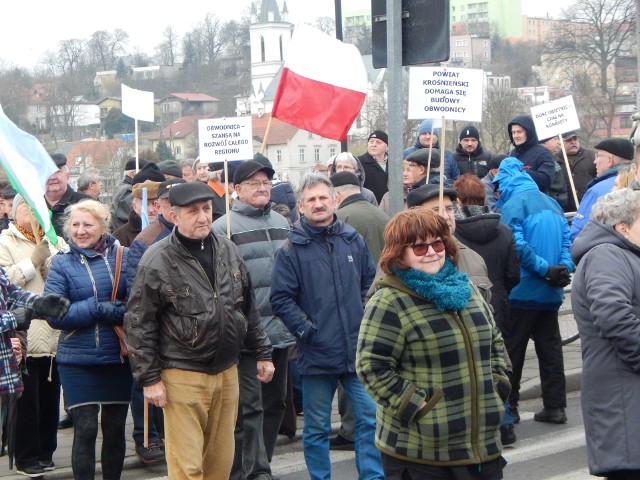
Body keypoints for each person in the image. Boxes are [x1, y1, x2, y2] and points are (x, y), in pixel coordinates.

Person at [124, 181, 274, 480]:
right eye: (193, 211)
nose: (203, 217)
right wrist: (150, 378)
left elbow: (246, 307)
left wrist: (262, 352)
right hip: (182, 373)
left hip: (227, 372)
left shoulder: (228, 250)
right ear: (174, 216)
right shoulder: (157, 259)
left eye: (206, 209)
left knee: (220, 463)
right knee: (188, 467)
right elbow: (139, 323)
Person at [356, 208, 510, 480]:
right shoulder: (389, 301)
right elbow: (371, 367)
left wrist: (498, 384)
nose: (431, 252)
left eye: (437, 242)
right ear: (399, 254)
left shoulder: (468, 290)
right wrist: (419, 406)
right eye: (418, 247)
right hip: (421, 454)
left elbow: (495, 340)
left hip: (482, 447)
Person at [270, 173, 384, 480]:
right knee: (318, 428)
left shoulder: (351, 239)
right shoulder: (290, 249)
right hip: (317, 354)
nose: (318, 204)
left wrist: (361, 316)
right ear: (300, 206)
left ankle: (371, 476)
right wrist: (308, 331)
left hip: (355, 351)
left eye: (323, 198)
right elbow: (280, 299)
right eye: (311, 200)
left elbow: (368, 282)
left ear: (334, 200)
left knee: (370, 418)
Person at [212, 160, 293, 480]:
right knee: (249, 409)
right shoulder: (223, 228)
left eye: (266, 183)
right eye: (254, 183)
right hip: (247, 335)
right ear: (236, 189)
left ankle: (262, 464)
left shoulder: (282, 222)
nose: (262, 188)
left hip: (282, 331)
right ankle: (248, 472)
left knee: (276, 405)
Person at [44, 199, 132, 480]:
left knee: (115, 428)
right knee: (85, 429)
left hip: (118, 357)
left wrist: (114, 309)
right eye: (75, 225)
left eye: (88, 224)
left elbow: (136, 305)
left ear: (103, 227)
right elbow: (56, 314)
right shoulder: (60, 263)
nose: (80, 231)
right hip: (77, 360)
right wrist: (99, 308)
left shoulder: (124, 257)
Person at [493, 157, 574, 425]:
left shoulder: (513, 204)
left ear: (505, 178)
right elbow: (566, 238)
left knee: (512, 352)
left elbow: (514, 244)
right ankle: (555, 406)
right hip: (551, 290)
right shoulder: (551, 202)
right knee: (550, 350)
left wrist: (542, 269)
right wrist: (561, 268)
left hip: (523, 290)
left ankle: (510, 407)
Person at [571, 189, 640, 479]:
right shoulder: (607, 255)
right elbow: (613, 316)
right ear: (622, 228)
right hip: (623, 395)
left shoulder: (620, 254)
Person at [0, 195, 68, 477]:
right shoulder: (6, 241)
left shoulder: (55, 239)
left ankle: (46, 451)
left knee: (50, 398)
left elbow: (65, 275)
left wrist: (52, 262)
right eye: (29, 208)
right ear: (16, 212)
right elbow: (10, 282)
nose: (36, 214)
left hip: (51, 331)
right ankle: (26, 456)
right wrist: (32, 260)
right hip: (23, 336)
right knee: (27, 401)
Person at [452, 174, 521, 445]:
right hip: (500, 302)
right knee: (498, 361)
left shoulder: (453, 234)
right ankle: (505, 422)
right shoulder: (503, 230)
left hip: (467, 302)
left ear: (458, 200)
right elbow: (514, 273)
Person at [125, 178, 185, 465]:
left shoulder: (200, 233)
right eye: (169, 204)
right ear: (159, 206)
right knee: (147, 385)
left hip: (189, 332)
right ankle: (147, 437)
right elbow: (134, 289)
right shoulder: (146, 240)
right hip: (158, 327)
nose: (175, 209)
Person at [329, 171, 390, 451]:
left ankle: (353, 429)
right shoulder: (381, 215)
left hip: (354, 302)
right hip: (385, 297)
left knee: (353, 369)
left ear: (337, 195)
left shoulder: (341, 219)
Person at [570, 138, 634, 242]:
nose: (595, 161)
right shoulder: (635, 183)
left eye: (598, 156)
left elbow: (579, 231)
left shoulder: (598, 190)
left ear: (609, 160)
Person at [45, 153, 92, 236]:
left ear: (67, 176)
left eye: (57, 172)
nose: (52, 177)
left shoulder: (86, 203)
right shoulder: (33, 206)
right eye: (47, 172)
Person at [507, 115, 555, 193]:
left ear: (529, 132)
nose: (516, 136)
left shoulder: (543, 153)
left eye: (519, 132)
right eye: (513, 132)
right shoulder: (511, 154)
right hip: (514, 200)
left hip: (535, 199)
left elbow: (546, 180)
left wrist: (521, 172)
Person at [112, 179, 162, 248]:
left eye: (155, 204)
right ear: (134, 207)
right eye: (145, 205)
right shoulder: (121, 236)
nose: (151, 210)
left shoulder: (171, 230)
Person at [556, 131, 596, 211]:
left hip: (590, 204)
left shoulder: (591, 156)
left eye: (575, 139)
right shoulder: (554, 160)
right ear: (560, 142)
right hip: (566, 208)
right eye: (568, 140)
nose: (573, 142)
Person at [109, 157, 148, 231]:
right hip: (125, 239)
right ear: (133, 174)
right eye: (145, 174)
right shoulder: (128, 191)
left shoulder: (124, 188)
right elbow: (141, 212)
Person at [357, 130, 389, 203]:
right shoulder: (359, 162)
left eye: (378, 142)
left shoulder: (395, 162)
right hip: (370, 205)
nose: (374, 145)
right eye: (371, 142)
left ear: (387, 146)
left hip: (391, 205)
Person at [540, 136, 569, 211]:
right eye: (555, 139)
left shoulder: (552, 159)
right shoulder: (540, 160)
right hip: (551, 208)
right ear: (545, 140)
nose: (559, 142)